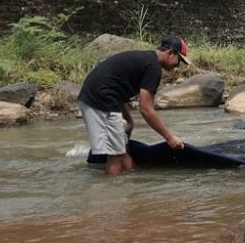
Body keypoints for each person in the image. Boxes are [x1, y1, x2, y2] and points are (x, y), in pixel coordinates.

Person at [77, 35, 191, 176]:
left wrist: (129, 120)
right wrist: (170, 137)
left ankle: (130, 186)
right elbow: (146, 109)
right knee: (116, 155)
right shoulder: (153, 67)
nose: (177, 65)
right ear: (170, 53)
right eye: (179, 60)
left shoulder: (146, 60)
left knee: (123, 150)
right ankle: (112, 194)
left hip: (99, 97)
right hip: (101, 100)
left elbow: (116, 86)